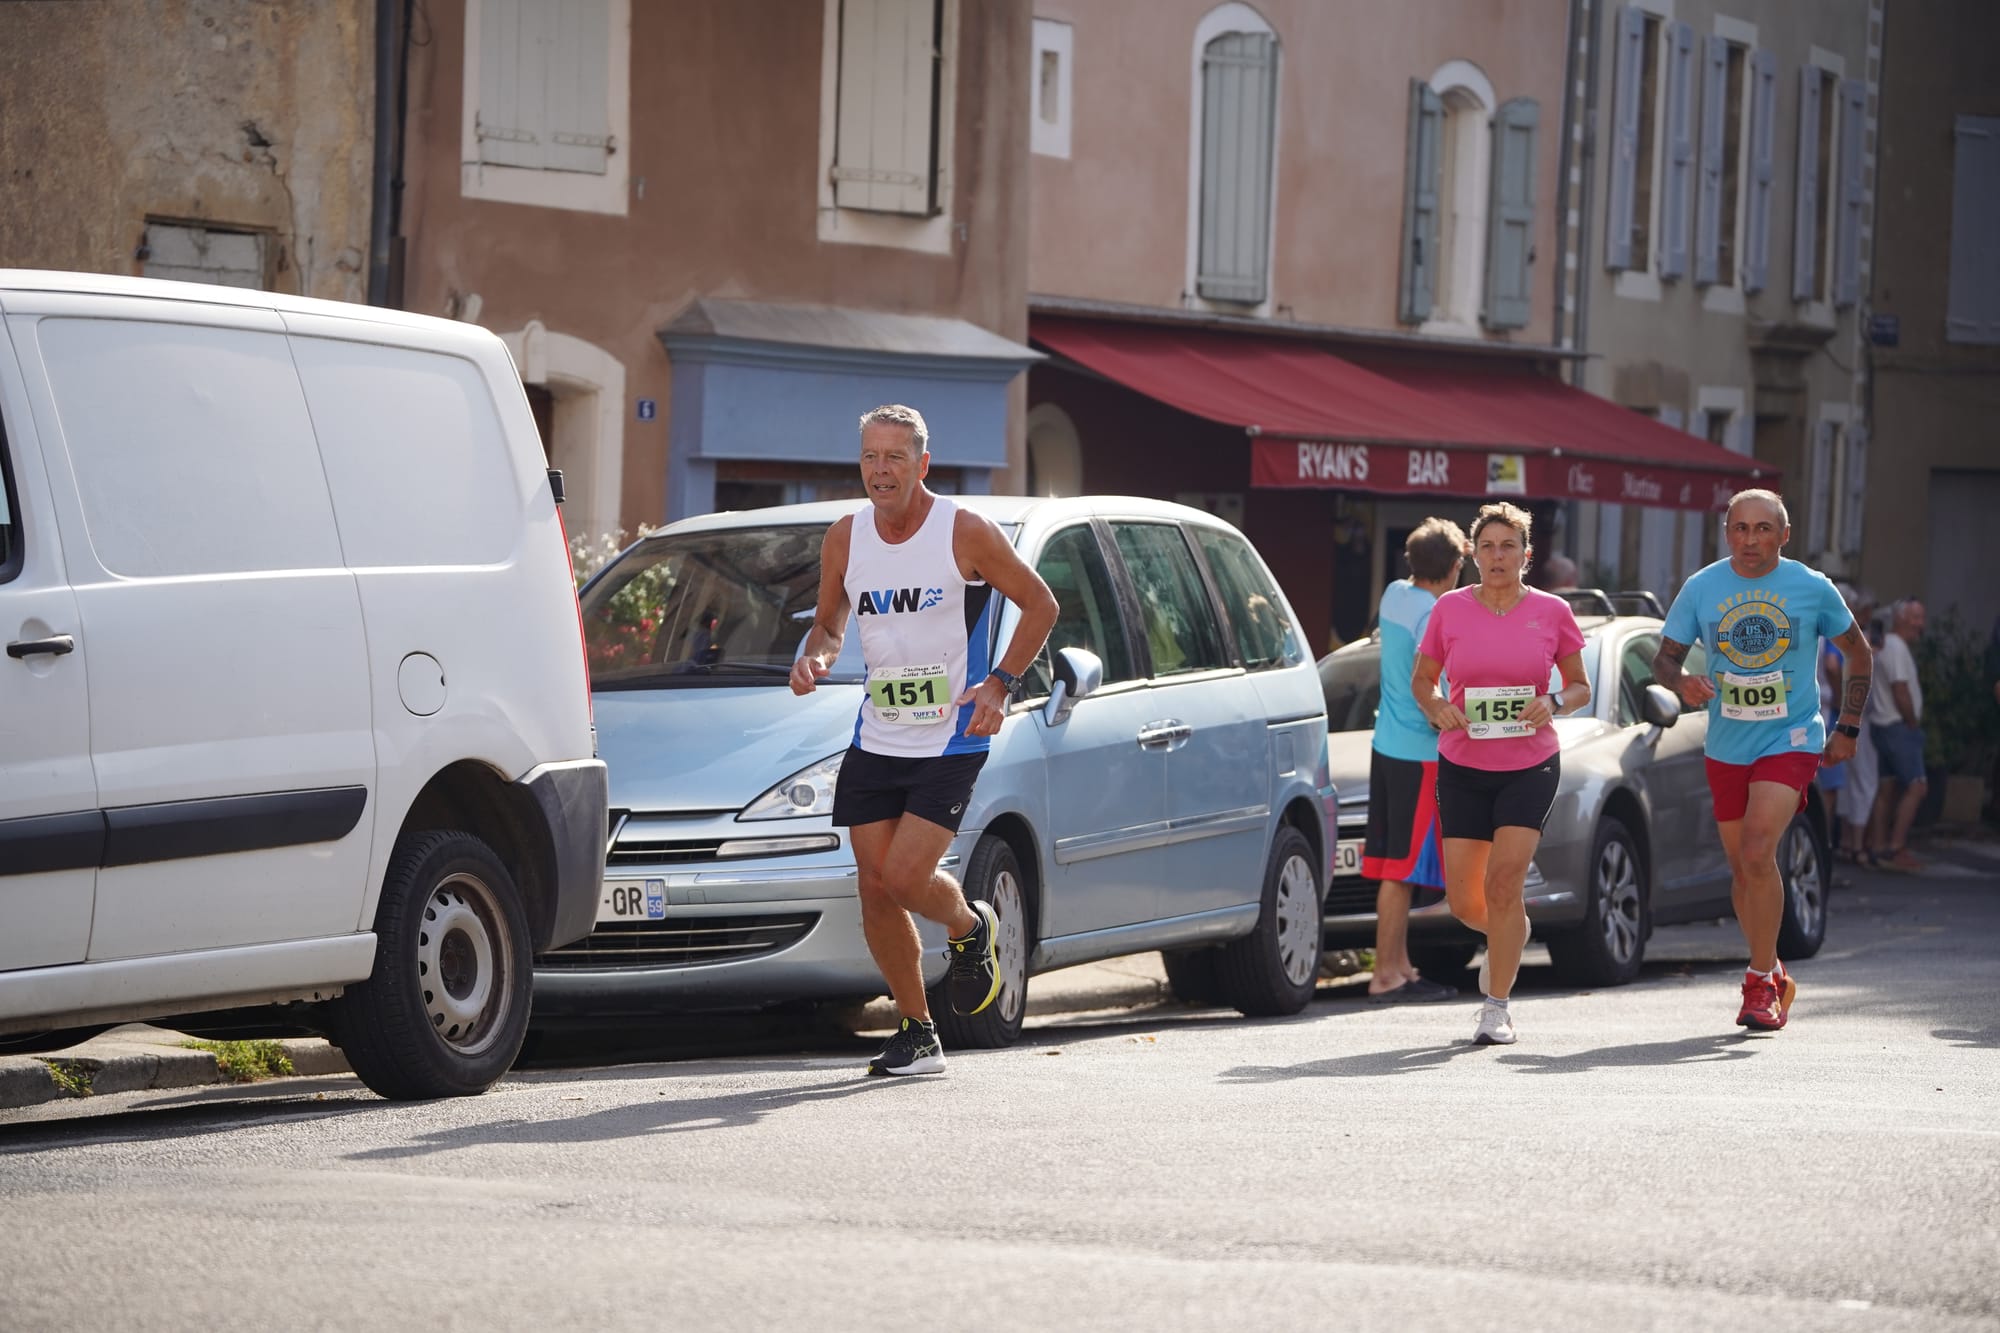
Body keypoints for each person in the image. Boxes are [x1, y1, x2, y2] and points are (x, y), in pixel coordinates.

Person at [790, 405, 1058, 1075]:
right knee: (874, 887)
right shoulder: (845, 539)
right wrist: (814, 657)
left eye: (895, 458)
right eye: (871, 458)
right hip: (877, 734)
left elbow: (1042, 604)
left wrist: (999, 682)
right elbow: (828, 624)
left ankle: (972, 927)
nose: (881, 471)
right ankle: (918, 1030)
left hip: (952, 736)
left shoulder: (964, 532)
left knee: (907, 876)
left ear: (922, 464)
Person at [1653, 489, 1871, 1032]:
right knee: (1743, 870)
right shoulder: (1702, 587)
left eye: (1763, 529)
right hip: (1727, 744)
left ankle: (1757, 985)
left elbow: (1858, 651)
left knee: (1756, 851)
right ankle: (1774, 970)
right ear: (1727, 533)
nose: (1751, 540)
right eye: (1740, 529)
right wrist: (1680, 682)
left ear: (1784, 534)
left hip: (1792, 737)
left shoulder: (1811, 588)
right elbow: (1664, 659)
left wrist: (1847, 726)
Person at [1413, 502, 1589, 1046]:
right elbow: (1423, 679)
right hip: (1463, 762)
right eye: (1487, 546)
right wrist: (1437, 707)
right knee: (1467, 903)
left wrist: (1554, 701)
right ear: (1473, 554)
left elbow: (1580, 686)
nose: (1497, 556)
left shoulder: (1552, 611)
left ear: (1525, 555)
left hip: (1529, 764)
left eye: (1507, 546)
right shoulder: (1449, 610)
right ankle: (1510, 932)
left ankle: (1496, 1007)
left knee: (1504, 883)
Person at [1361, 517, 1466, 1005]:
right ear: (1456, 565)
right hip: (1418, 753)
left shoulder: (1392, 595)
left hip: (1386, 746)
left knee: (1391, 864)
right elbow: (1431, 684)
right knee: (1400, 871)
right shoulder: (1434, 612)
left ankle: (1400, 968)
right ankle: (1384, 975)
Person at [1865, 598, 1928, 871]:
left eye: (1921, 618)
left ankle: (1878, 847)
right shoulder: (1897, 648)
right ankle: (1895, 847)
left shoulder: (1886, 646)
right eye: (1915, 618)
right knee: (1917, 786)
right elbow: (1900, 689)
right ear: (1900, 618)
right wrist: (1911, 720)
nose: (1920, 624)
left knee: (1887, 787)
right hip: (1897, 726)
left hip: (1881, 726)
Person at [1832, 587, 1881, 863]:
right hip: (1852, 717)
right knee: (1862, 780)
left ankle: (1846, 842)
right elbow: (1833, 666)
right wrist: (1846, 709)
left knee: (1847, 781)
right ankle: (1856, 844)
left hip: (1840, 713)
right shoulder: (1848, 636)